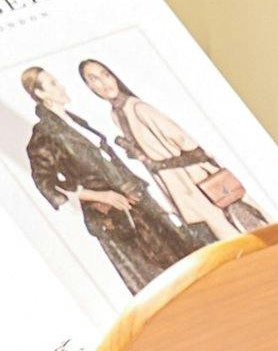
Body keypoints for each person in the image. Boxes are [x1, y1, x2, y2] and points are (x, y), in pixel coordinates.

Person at [18, 62, 209, 309]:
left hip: (135, 199)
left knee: (182, 264)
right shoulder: (45, 132)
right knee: (158, 284)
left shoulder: (74, 120)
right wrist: (101, 195)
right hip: (114, 217)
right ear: (40, 94)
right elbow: (45, 181)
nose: (61, 86)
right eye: (53, 84)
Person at [77, 51, 266, 244]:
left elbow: (196, 151)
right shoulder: (116, 115)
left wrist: (157, 164)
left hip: (199, 183)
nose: (104, 82)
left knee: (240, 233)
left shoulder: (139, 108)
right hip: (178, 190)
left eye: (105, 74)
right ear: (89, 86)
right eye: (94, 79)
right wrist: (139, 154)